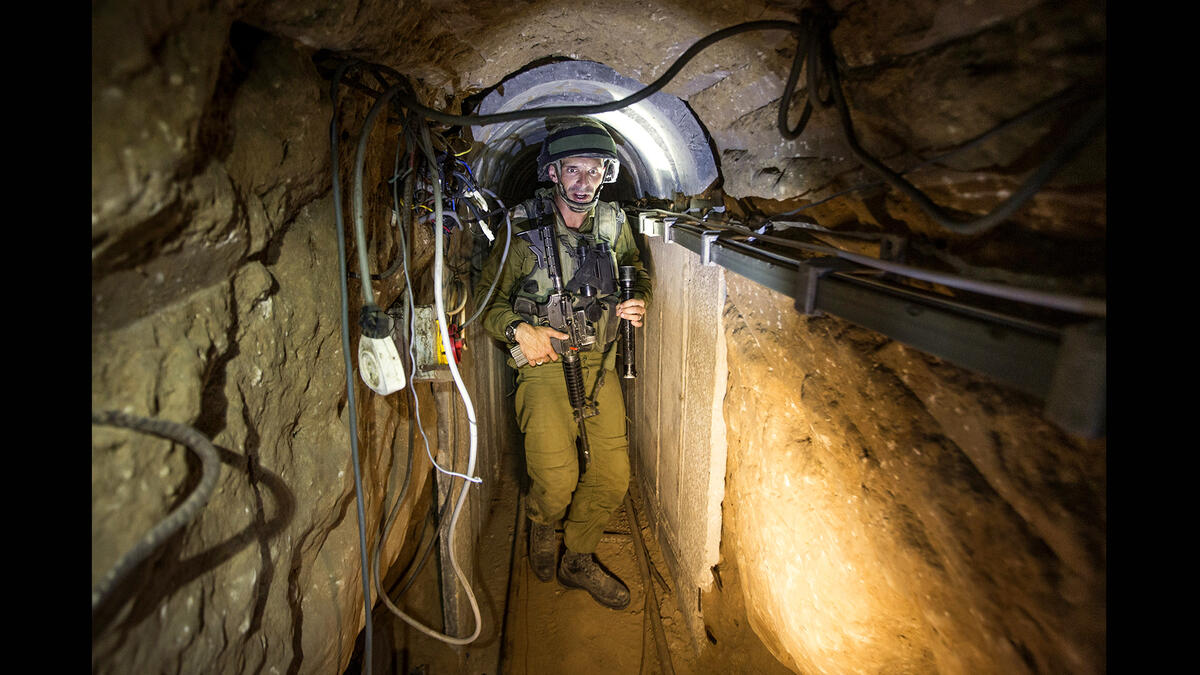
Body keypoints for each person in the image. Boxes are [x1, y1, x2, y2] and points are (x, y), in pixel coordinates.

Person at [474, 117, 651, 609]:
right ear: (552, 173)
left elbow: (635, 271)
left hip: (599, 364)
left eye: (594, 171)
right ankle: (541, 521)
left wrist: (638, 299)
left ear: (605, 175)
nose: (583, 182)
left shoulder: (613, 222)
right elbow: (487, 304)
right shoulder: (522, 226)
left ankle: (577, 556)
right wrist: (520, 331)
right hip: (545, 364)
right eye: (573, 170)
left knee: (612, 477)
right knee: (556, 481)